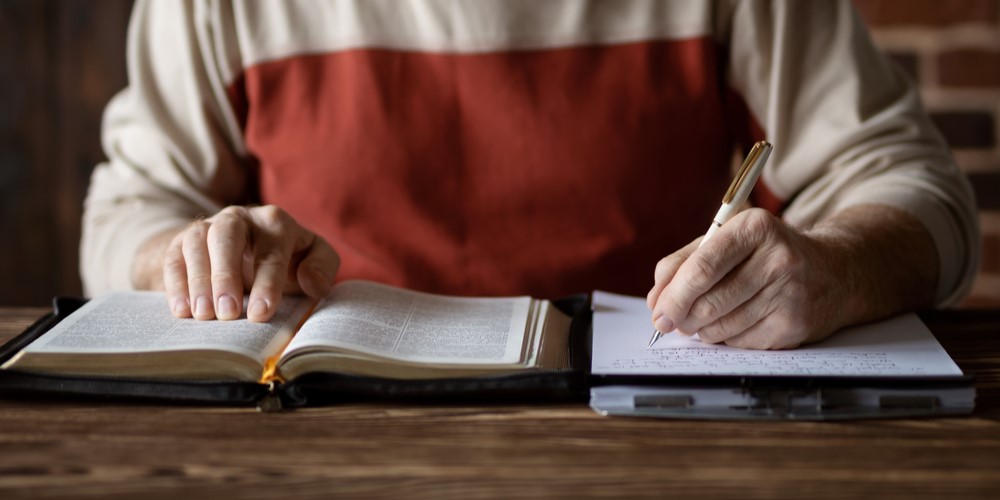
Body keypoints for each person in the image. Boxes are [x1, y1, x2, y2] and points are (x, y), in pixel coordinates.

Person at [81, 0, 979, 350]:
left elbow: (913, 186)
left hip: (659, 447)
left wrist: (838, 266)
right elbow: (125, 213)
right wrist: (192, 252)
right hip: (314, 443)